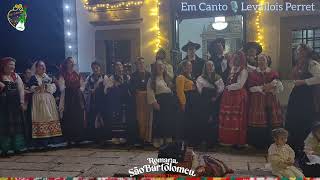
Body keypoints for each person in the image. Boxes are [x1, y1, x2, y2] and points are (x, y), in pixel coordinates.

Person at [285, 44, 320, 153]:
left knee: (303, 119)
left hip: (307, 96)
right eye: (298, 51)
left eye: (301, 51)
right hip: (297, 94)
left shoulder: (312, 64)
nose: (299, 53)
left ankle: (301, 146)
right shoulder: (298, 64)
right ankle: (292, 146)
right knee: (292, 118)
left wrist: (304, 82)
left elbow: (319, 77)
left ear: (306, 52)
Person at [247, 54, 284, 149]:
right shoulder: (253, 73)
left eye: (263, 60)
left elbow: (279, 86)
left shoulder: (273, 72)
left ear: (267, 61)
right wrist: (263, 88)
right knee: (258, 121)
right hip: (257, 102)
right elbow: (251, 88)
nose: (261, 62)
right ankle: (257, 143)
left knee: (271, 120)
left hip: (270, 100)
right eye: (259, 60)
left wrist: (271, 88)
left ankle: (271, 142)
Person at [28, 61, 63, 150]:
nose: (43, 68)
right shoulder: (33, 77)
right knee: (41, 118)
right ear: (36, 68)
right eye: (40, 66)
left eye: (44, 66)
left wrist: (48, 87)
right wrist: (38, 87)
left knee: (50, 117)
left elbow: (54, 88)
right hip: (39, 100)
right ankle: (41, 142)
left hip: (49, 99)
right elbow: (31, 88)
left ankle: (52, 141)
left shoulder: (49, 77)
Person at [218, 51, 248, 147]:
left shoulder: (243, 70)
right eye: (234, 58)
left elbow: (240, 84)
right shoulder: (232, 69)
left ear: (241, 59)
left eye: (237, 58)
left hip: (238, 96)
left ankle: (237, 140)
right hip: (229, 96)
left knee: (236, 119)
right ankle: (227, 140)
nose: (236, 60)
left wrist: (228, 87)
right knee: (228, 118)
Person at [147, 60, 178, 148]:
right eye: (158, 66)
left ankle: (168, 139)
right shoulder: (152, 79)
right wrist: (154, 102)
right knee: (159, 121)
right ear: (155, 68)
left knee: (168, 121)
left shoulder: (166, 79)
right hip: (160, 101)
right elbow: (150, 91)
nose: (161, 67)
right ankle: (158, 140)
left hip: (168, 102)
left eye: (162, 66)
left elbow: (171, 89)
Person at [0, 57, 26, 157]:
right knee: (5, 127)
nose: (12, 67)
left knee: (17, 127)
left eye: (13, 65)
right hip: (3, 105)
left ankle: (17, 148)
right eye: (10, 64)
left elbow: (21, 89)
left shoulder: (16, 76)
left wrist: (22, 102)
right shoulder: (1, 76)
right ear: (4, 65)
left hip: (15, 104)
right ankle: (4, 150)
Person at [57, 57, 86, 145]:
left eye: (73, 62)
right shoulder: (63, 75)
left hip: (77, 97)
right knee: (68, 117)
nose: (72, 64)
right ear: (66, 64)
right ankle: (69, 139)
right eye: (70, 62)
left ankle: (78, 138)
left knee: (78, 116)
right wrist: (69, 89)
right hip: (68, 98)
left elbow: (82, 86)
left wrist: (79, 90)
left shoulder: (78, 74)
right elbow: (62, 87)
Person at [196, 61, 224, 149]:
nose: (210, 67)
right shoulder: (200, 78)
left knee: (214, 120)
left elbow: (221, 89)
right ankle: (204, 140)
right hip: (204, 102)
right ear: (205, 67)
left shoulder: (218, 77)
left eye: (212, 65)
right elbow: (199, 90)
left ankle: (213, 141)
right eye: (208, 65)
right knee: (204, 120)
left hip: (215, 101)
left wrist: (215, 97)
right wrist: (206, 97)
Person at [104, 61, 132, 145]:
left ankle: (124, 137)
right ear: (115, 69)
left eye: (120, 66)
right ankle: (116, 137)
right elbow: (106, 90)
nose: (119, 68)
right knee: (117, 120)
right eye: (117, 67)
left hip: (126, 101)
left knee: (126, 120)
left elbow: (130, 88)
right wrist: (113, 86)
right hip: (116, 102)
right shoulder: (112, 78)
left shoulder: (127, 77)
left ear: (122, 68)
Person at [84, 61, 110, 144]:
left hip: (101, 101)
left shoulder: (104, 77)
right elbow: (85, 88)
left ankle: (103, 137)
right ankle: (94, 137)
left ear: (99, 68)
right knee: (93, 118)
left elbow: (107, 89)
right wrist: (90, 91)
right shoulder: (89, 77)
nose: (95, 69)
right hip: (92, 101)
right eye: (93, 68)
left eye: (97, 67)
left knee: (101, 118)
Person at [176, 60, 201, 146]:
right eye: (188, 66)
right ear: (183, 68)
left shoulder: (191, 76)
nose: (190, 67)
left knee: (192, 121)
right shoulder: (180, 77)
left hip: (193, 102)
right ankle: (186, 141)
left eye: (190, 66)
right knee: (186, 122)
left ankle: (193, 141)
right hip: (187, 101)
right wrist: (183, 103)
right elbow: (180, 91)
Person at [130, 57, 152, 144]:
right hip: (139, 99)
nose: (141, 65)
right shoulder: (133, 75)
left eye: (142, 63)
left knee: (148, 118)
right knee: (140, 119)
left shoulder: (149, 74)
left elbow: (151, 86)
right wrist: (138, 92)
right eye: (139, 63)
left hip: (148, 99)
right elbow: (132, 88)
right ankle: (141, 137)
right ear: (137, 65)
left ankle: (147, 137)